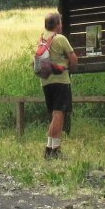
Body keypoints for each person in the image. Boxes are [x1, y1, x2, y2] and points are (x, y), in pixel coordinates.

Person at [37, 11, 78, 159]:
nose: (61, 25)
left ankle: (51, 148)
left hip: (46, 81)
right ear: (56, 24)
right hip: (60, 80)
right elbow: (73, 58)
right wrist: (70, 68)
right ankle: (53, 148)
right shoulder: (60, 38)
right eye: (60, 22)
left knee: (54, 112)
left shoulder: (43, 38)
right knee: (60, 113)